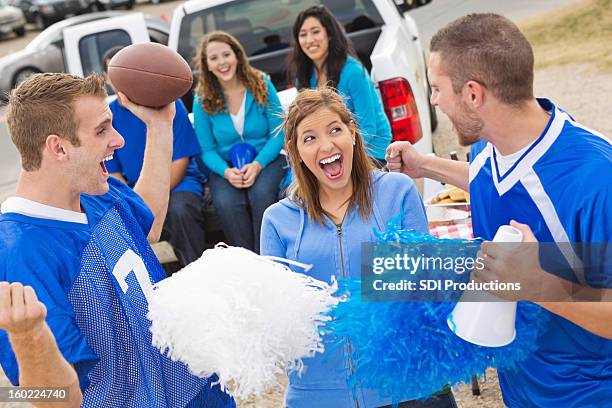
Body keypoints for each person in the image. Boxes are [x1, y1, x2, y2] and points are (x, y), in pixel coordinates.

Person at [386, 13, 612, 407]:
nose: (433, 99)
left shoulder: (595, 179)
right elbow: (496, 179)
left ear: (473, 94)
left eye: (437, 88)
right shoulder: (491, 145)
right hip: (521, 386)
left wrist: (538, 283)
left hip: (585, 393)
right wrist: (425, 165)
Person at [0, 73, 234, 407]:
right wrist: (28, 338)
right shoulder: (19, 253)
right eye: (101, 130)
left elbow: (146, 227)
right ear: (59, 147)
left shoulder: (94, 189)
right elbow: (55, 400)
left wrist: (160, 125)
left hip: (198, 393)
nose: (119, 140)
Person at [261, 88, 457, 408]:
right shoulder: (277, 221)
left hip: (410, 387)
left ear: (353, 133)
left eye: (335, 130)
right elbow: (278, 319)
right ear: (293, 150)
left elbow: (427, 291)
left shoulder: (397, 191)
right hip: (318, 396)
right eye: (309, 138)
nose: (326, 145)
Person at [102, 47, 207, 268]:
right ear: (107, 78)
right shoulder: (108, 116)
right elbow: (114, 175)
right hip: (135, 190)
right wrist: (139, 200)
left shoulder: (168, 104)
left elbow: (180, 162)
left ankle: (195, 267)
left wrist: (154, 196)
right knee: (123, 220)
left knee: (179, 210)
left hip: (179, 185)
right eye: (120, 72)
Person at [193, 31, 285, 253]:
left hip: (266, 159)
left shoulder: (261, 83)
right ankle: (247, 261)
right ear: (206, 64)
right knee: (226, 203)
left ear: (237, 55)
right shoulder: (202, 98)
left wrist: (258, 164)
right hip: (226, 166)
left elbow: (278, 132)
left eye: (226, 54)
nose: (222, 62)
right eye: (214, 58)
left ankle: (269, 257)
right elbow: (207, 149)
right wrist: (226, 172)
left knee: (261, 194)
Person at [287, 5, 392, 166]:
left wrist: (336, 152)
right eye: (303, 34)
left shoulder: (353, 71)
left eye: (315, 31)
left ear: (328, 34)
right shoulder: (304, 76)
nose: (309, 40)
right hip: (331, 148)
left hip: (371, 148)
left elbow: (368, 127)